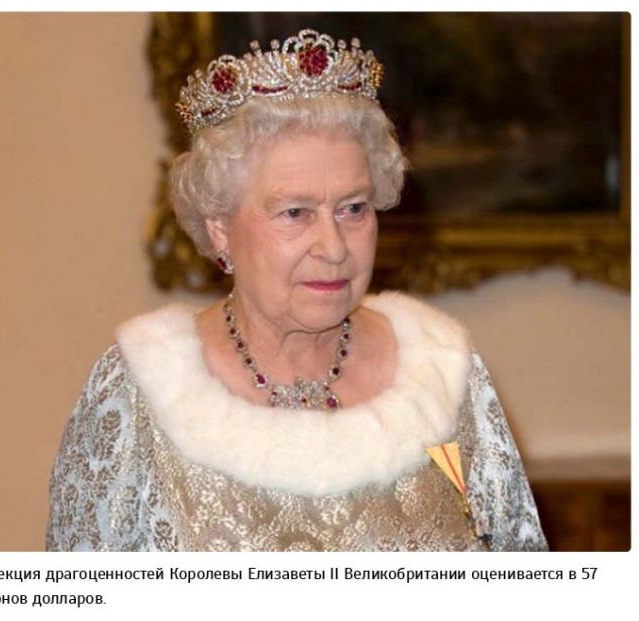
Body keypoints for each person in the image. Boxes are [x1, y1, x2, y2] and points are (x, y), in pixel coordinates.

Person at [46, 29, 547, 551]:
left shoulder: (446, 379)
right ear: (220, 227)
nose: (333, 247)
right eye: (294, 213)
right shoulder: (140, 394)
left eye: (353, 208)